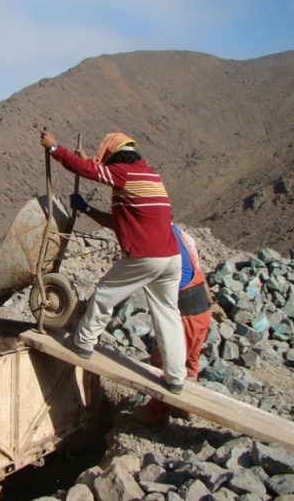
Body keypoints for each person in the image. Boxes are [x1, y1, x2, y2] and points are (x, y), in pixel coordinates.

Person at [40, 130, 186, 394]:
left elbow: (92, 172)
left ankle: (83, 343)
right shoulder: (150, 176)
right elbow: (116, 222)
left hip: (146, 256)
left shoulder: (125, 173)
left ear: (115, 158)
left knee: (105, 294)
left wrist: (55, 149)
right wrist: (86, 209)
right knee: (168, 314)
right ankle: (176, 377)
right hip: (170, 258)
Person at [137, 223, 215, 424]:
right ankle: (185, 406)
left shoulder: (162, 242)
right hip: (201, 311)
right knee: (190, 365)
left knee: (166, 364)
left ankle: (157, 416)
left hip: (186, 315)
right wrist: (210, 301)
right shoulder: (185, 238)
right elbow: (198, 269)